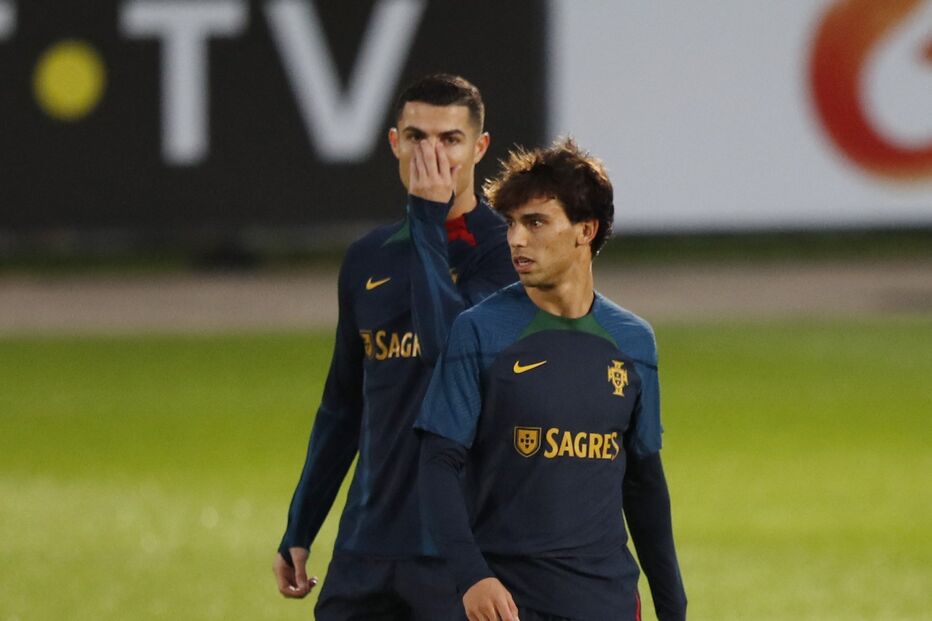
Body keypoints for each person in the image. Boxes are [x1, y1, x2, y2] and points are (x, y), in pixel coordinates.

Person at [273, 74, 516, 619]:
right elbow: (342, 404)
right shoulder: (367, 258)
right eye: (416, 137)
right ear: (393, 144)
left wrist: (428, 222)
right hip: (366, 547)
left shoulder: (506, 255)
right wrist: (302, 521)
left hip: (459, 552)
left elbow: (449, 351)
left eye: (450, 140)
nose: (431, 154)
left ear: (480, 148)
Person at [416, 138, 688, 621]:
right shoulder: (480, 331)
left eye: (536, 222)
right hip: (509, 606)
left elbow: (644, 484)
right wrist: (472, 576)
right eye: (512, 224)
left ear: (586, 230)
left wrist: (673, 605)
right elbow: (437, 464)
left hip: (607, 603)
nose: (516, 239)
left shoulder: (633, 342)